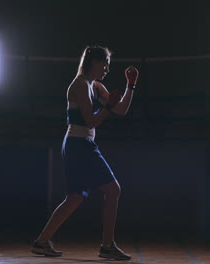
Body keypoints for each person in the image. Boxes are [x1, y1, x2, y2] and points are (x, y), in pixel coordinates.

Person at [31, 45, 138, 260]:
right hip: (79, 144)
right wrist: (108, 108)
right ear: (93, 62)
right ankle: (107, 246)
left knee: (75, 198)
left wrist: (131, 85)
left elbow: (121, 110)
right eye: (105, 63)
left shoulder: (95, 86)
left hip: (79, 144)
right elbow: (90, 120)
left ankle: (41, 242)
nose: (107, 69)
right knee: (113, 190)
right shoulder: (79, 85)